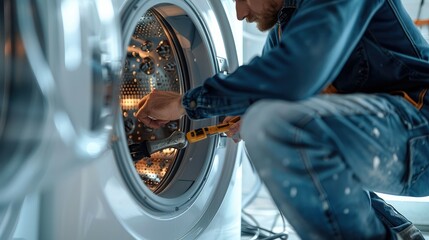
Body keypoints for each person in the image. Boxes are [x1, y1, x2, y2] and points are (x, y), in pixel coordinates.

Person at [136, 0, 429, 239]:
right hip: (393, 142)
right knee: (258, 121)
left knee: (272, 125)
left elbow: (291, 76)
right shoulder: (285, 27)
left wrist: (184, 102)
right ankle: (397, 230)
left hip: (422, 133)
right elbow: (266, 88)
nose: (239, 13)